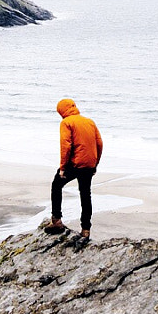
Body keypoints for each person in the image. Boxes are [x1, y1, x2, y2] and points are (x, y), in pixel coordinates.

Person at [43, 97, 103, 240]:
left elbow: (66, 146)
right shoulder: (89, 121)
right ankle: (86, 230)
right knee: (85, 195)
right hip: (89, 164)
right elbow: (99, 143)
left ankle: (56, 221)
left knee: (56, 185)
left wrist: (63, 167)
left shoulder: (66, 122)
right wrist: (95, 164)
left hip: (74, 164)